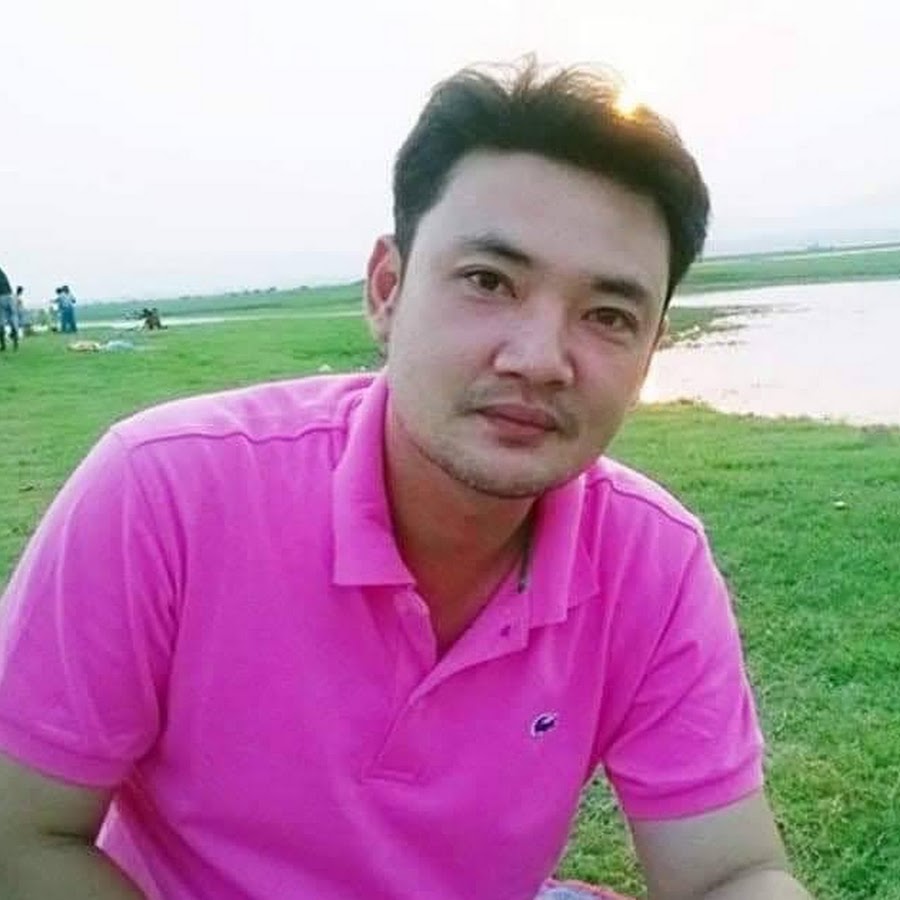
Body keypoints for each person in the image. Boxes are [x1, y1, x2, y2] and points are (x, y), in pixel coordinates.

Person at [0, 60, 813, 899]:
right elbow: (21, 835)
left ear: (649, 354)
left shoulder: (653, 559)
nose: (539, 359)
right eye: (488, 282)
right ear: (387, 290)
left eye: (608, 316)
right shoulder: (166, 492)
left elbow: (730, 871)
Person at [0, 266, 18, 351]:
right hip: (10, 297)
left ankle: (3, 345)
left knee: (1, 322)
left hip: (1, 297)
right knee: (13, 319)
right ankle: (15, 343)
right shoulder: (2, 273)